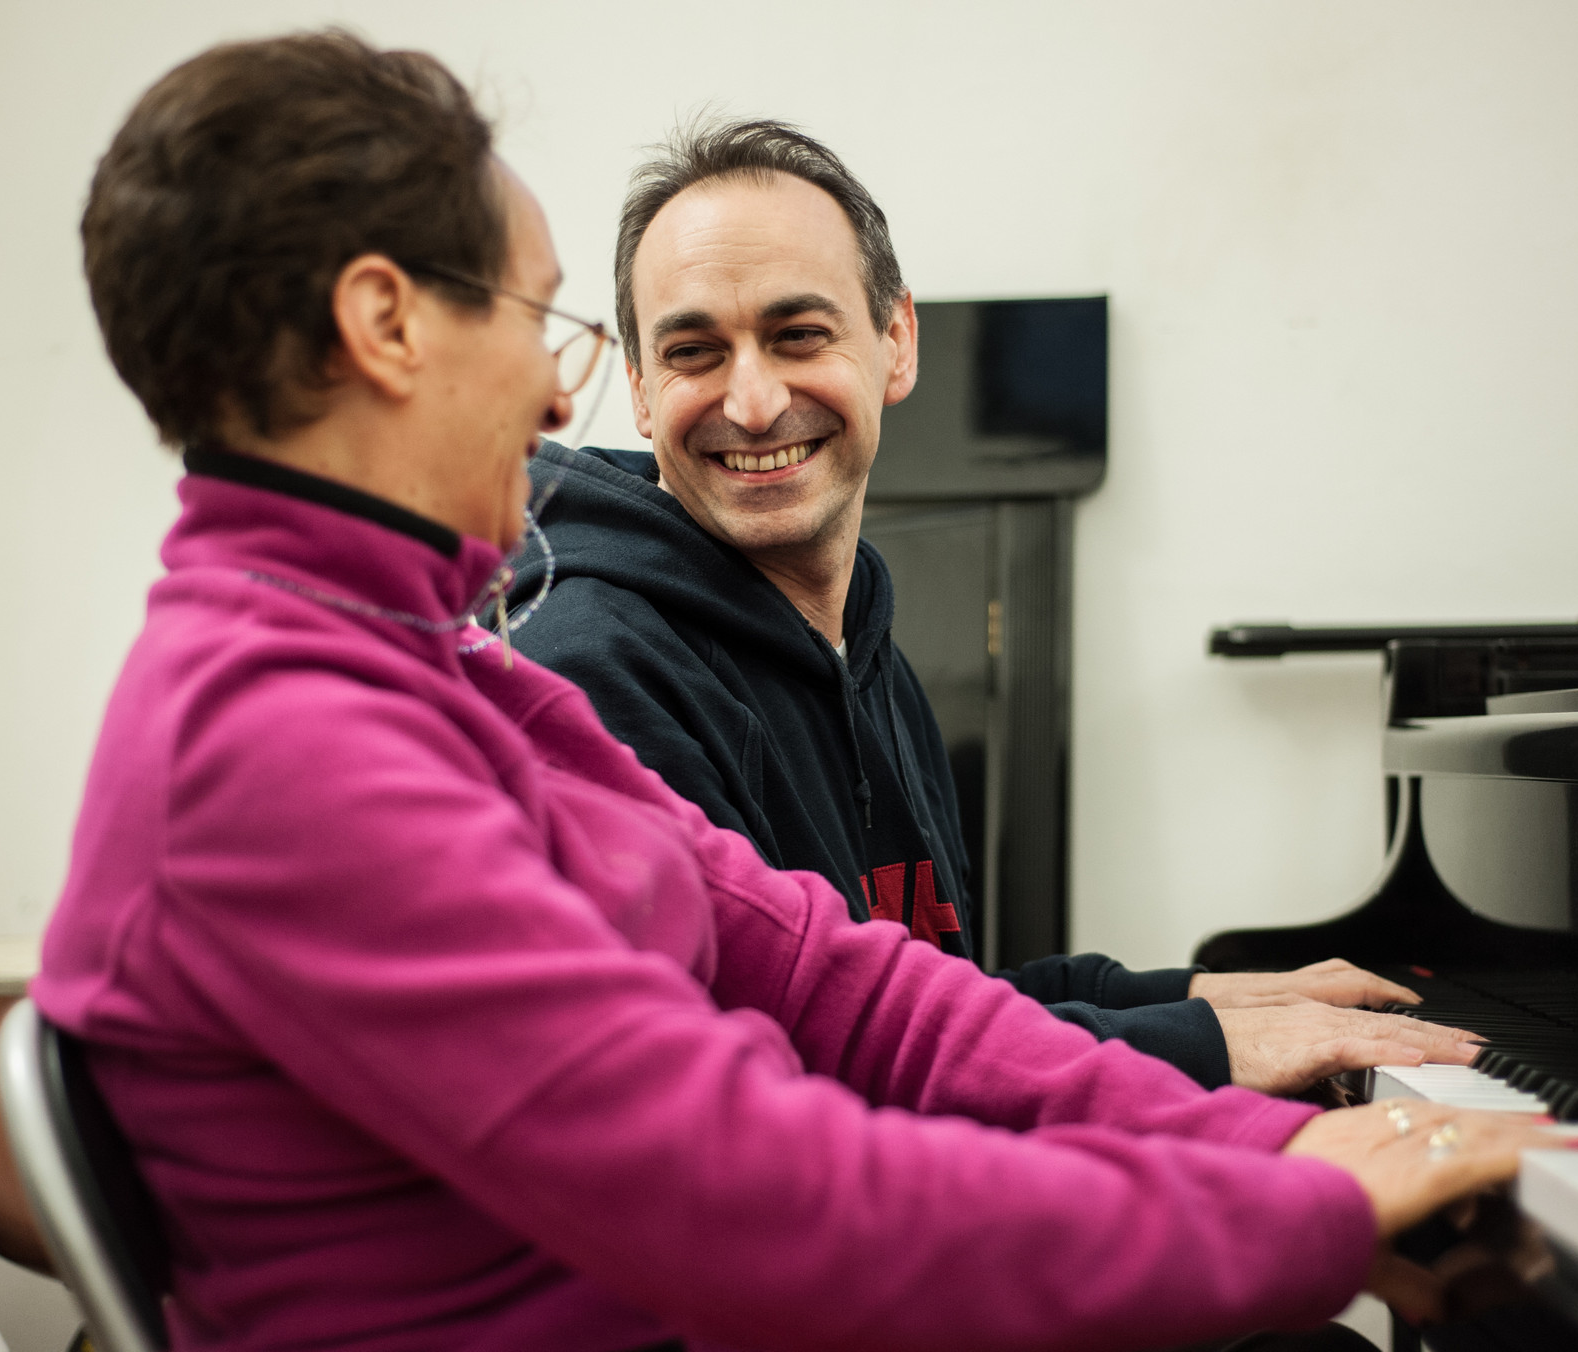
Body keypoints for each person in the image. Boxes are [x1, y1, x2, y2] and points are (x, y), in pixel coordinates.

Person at [34, 31, 1570, 1351]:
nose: (566, 392)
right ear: (384, 324)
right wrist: (1288, 1209)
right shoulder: (274, 743)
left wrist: (1284, 1137)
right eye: (539, 316)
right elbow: (731, 1187)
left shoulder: (431, 672)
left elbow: (843, 986)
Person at [505, 119, 1474, 1094]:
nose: (752, 402)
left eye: (798, 334)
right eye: (694, 351)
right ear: (638, 385)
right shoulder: (590, 667)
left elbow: (946, 998)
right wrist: (1201, 1049)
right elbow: (779, 1088)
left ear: (895, 341)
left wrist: (1197, 996)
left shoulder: (859, 645)